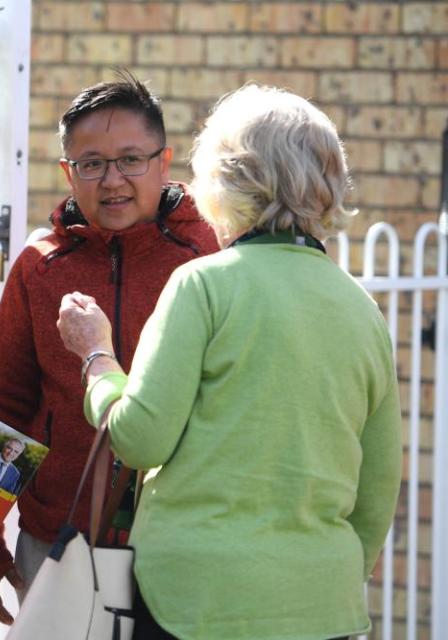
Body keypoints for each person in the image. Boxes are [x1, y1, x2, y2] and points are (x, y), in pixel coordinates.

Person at [57, 84, 402, 639]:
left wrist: (96, 357)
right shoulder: (362, 310)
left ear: (224, 181)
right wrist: (330, 575)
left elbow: (141, 439)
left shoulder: (203, 285)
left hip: (193, 600)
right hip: (320, 605)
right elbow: (379, 487)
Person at [0, 74, 219, 622]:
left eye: (131, 159)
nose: (112, 181)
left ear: (163, 160)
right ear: (67, 172)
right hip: (62, 542)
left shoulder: (209, 252)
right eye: (91, 163)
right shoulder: (39, 267)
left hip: (186, 546)